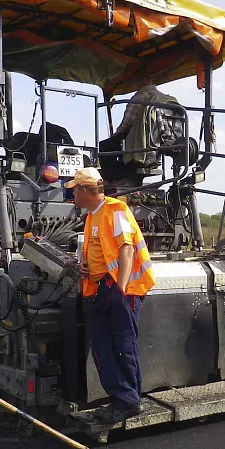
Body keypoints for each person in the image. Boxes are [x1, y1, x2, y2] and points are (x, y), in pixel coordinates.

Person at [65, 167, 156, 424]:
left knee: (121, 345)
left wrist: (121, 289)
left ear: (84, 191)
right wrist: (85, 266)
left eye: (74, 190)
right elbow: (99, 251)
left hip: (118, 290)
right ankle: (124, 397)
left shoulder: (115, 210)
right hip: (101, 288)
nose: (71, 194)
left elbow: (126, 251)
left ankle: (128, 400)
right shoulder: (92, 216)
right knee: (104, 347)